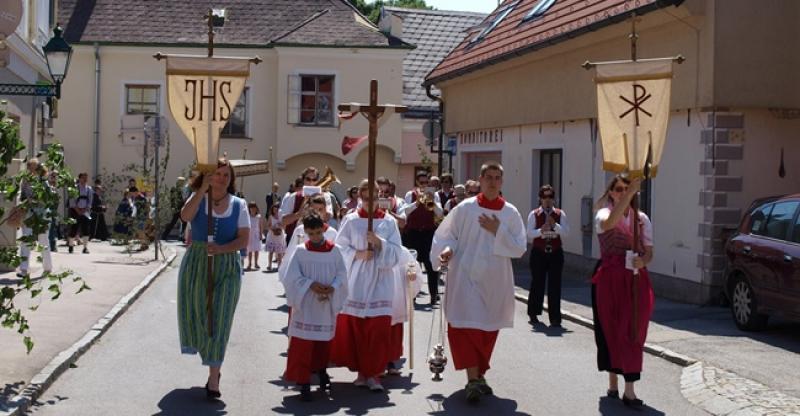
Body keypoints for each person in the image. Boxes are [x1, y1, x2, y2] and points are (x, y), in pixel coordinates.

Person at [431, 161, 526, 404]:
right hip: (464, 276)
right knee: (464, 328)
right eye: (489, 177)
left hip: (495, 281)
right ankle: (473, 379)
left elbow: (519, 248)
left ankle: (479, 375)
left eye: (497, 178)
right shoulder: (465, 209)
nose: (493, 182)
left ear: (502, 182)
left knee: (487, 330)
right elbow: (448, 235)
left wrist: (498, 230)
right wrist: (447, 250)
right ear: (481, 180)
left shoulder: (510, 213)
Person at [178, 158, 249, 400]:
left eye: (226, 175)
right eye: (217, 174)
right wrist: (201, 190)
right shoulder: (198, 199)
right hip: (198, 262)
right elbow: (186, 216)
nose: (221, 179)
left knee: (220, 318)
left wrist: (221, 249)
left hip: (227, 264)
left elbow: (243, 240)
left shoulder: (239, 205)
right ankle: (211, 362)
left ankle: (213, 375)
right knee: (200, 313)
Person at [330, 179, 403, 392]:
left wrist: (380, 242)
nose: (370, 201)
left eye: (374, 196)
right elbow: (339, 249)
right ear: (360, 197)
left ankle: (375, 374)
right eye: (366, 196)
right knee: (358, 328)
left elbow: (397, 252)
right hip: (358, 279)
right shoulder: (351, 220)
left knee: (378, 328)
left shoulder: (389, 222)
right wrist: (358, 253)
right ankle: (362, 372)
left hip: (381, 279)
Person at [592, 175, 653, 408]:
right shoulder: (603, 213)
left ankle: (630, 390)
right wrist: (628, 197)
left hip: (635, 279)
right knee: (610, 328)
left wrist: (644, 261)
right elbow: (608, 225)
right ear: (610, 192)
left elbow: (649, 251)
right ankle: (613, 382)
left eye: (627, 189)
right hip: (609, 277)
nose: (622, 192)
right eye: (618, 189)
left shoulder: (642, 219)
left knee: (634, 330)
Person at [281, 212, 348, 401]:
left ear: (324, 230)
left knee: (323, 342)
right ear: (306, 232)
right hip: (306, 303)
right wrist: (310, 284)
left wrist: (332, 287)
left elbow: (343, 275)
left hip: (326, 301)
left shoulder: (335, 251)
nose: (316, 237)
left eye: (319, 232)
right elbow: (291, 277)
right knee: (302, 343)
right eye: (312, 234)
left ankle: (321, 370)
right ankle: (303, 381)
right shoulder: (301, 251)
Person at [526, 184, 570, 327]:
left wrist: (555, 225)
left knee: (555, 285)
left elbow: (566, 233)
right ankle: (533, 313)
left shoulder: (560, 214)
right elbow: (529, 234)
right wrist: (541, 230)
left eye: (550, 197)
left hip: (556, 253)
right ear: (540, 199)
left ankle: (555, 318)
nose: (548, 200)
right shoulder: (534, 214)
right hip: (539, 252)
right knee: (537, 283)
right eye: (545, 197)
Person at [403, 171, 444, 305]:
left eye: (426, 182)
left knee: (431, 264)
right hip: (413, 233)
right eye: (422, 183)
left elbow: (440, 213)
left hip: (427, 232)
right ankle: (412, 294)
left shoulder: (435, 195)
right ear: (417, 183)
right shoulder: (411, 194)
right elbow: (405, 212)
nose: (424, 185)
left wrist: (432, 202)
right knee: (412, 265)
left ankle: (433, 294)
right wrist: (417, 202)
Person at [387, 247, 422, 375]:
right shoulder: (372, 249)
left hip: (395, 297)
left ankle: (390, 362)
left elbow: (412, 267)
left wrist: (411, 274)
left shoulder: (401, 251)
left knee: (393, 332)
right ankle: (377, 365)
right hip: (377, 296)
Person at [280, 167, 333, 246]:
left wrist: (320, 205)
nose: (311, 182)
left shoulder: (325, 197)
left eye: (314, 179)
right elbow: (283, 221)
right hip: (297, 238)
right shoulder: (294, 197)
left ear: (318, 180)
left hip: (318, 238)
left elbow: (327, 218)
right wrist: (298, 214)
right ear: (303, 180)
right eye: (308, 179)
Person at [18, 159, 53, 277]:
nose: (30, 169)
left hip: (42, 215)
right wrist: (23, 202)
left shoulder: (44, 182)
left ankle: (47, 268)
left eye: (32, 167)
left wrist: (34, 200)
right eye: (29, 167)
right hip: (29, 214)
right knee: (25, 241)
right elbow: (22, 195)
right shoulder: (25, 181)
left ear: (38, 169)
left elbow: (47, 199)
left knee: (43, 241)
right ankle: (23, 270)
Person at [67, 172, 93, 254]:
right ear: (80, 178)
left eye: (86, 178)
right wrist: (77, 210)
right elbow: (72, 201)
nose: (85, 179)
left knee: (86, 230)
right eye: (83, 177)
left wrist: (85, 209)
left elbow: (90, 201)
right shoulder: (74, 188)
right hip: (75, 210)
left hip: (85, 211)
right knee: (74, 228)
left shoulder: (89, 189)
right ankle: (71, 245)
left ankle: (85, 248)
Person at [265, 204, 286, 272]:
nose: (275, 210)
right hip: (272, 235)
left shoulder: (281, 217)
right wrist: (272, 228)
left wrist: (280, 226)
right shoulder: (271, 217)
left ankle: (279, 266)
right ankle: (269, 265)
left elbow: (284, 226)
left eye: (276, 209)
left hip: (280, 236)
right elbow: (267, 226)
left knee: (279, 252)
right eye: (274, 209)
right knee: (271, 251)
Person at [245, 201, 264, 270]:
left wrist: (261, 234)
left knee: (256, 249)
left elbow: (261, 226)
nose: (252, 209)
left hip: (256, 234)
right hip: (250, 235)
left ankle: (256, 263)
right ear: (249, 208)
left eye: (254, 207)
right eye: (251, 207)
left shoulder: (258, 216)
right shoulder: (247, 216)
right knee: (249, 250)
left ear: (256, 208)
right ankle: (249, 263)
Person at [46, 170, 60, 252]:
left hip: (54, 209)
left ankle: (52, 245)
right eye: (53, 176)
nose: (54, 178)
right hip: (48, 209)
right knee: (49, 227)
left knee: (53, 227)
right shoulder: (47, 186)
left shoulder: (55, 188)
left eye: (55, 177)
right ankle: (49, 245)